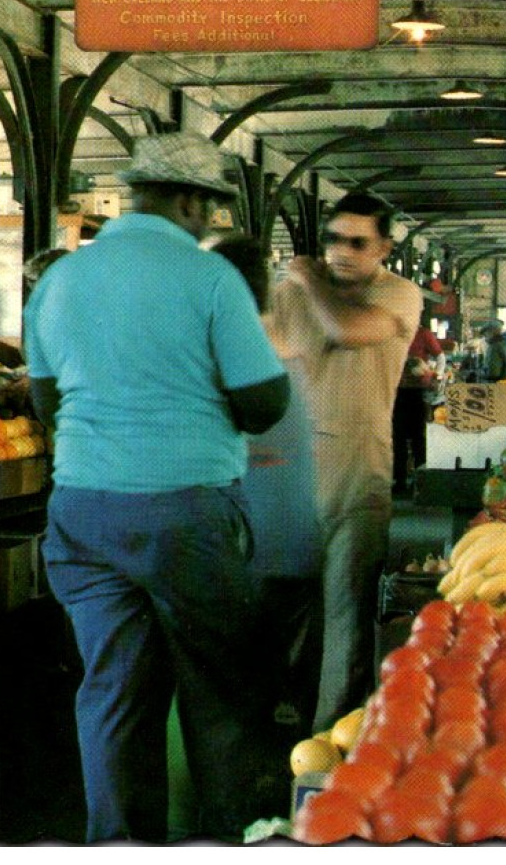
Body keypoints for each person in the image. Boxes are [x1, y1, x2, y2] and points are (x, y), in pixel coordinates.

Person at [26, 132, 290, 842]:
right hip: (185, 510)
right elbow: (263, 402)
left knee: (113, 693)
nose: (212, 224)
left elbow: (44, 403)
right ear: (186, 201)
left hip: (80, 513)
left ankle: (118, 846)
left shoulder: (60, 279)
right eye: (210, 209)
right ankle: (229, 839)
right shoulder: (208, 279)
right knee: (221, 694)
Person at [267, 192, 422, 733]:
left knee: (345, 612)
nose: (342, 252)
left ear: (383, 247)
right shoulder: (291, 293)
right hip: (289, 473)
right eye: (334, 239)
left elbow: (347, 330)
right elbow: (260, 348)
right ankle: (284, 711)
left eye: (358, 242)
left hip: (359, 473)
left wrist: (307, 282)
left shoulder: (398, 296)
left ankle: (330, 737)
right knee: (285, 606)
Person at [206, 233, 324, 739]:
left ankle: (249, 713)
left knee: (241, 618)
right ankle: (285, 701)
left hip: (250, 506)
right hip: (297, 503)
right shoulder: (293, 337)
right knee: (287, 611)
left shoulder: (228, 343)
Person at [392, 320, 444, 490]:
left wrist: (437, 374)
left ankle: (420, 482)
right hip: (396, 391)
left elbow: (440, 356)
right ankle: (399, 480)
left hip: (418, 392)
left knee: (418, 439)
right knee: (398, 438)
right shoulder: (391, 332)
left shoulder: (423, 334)